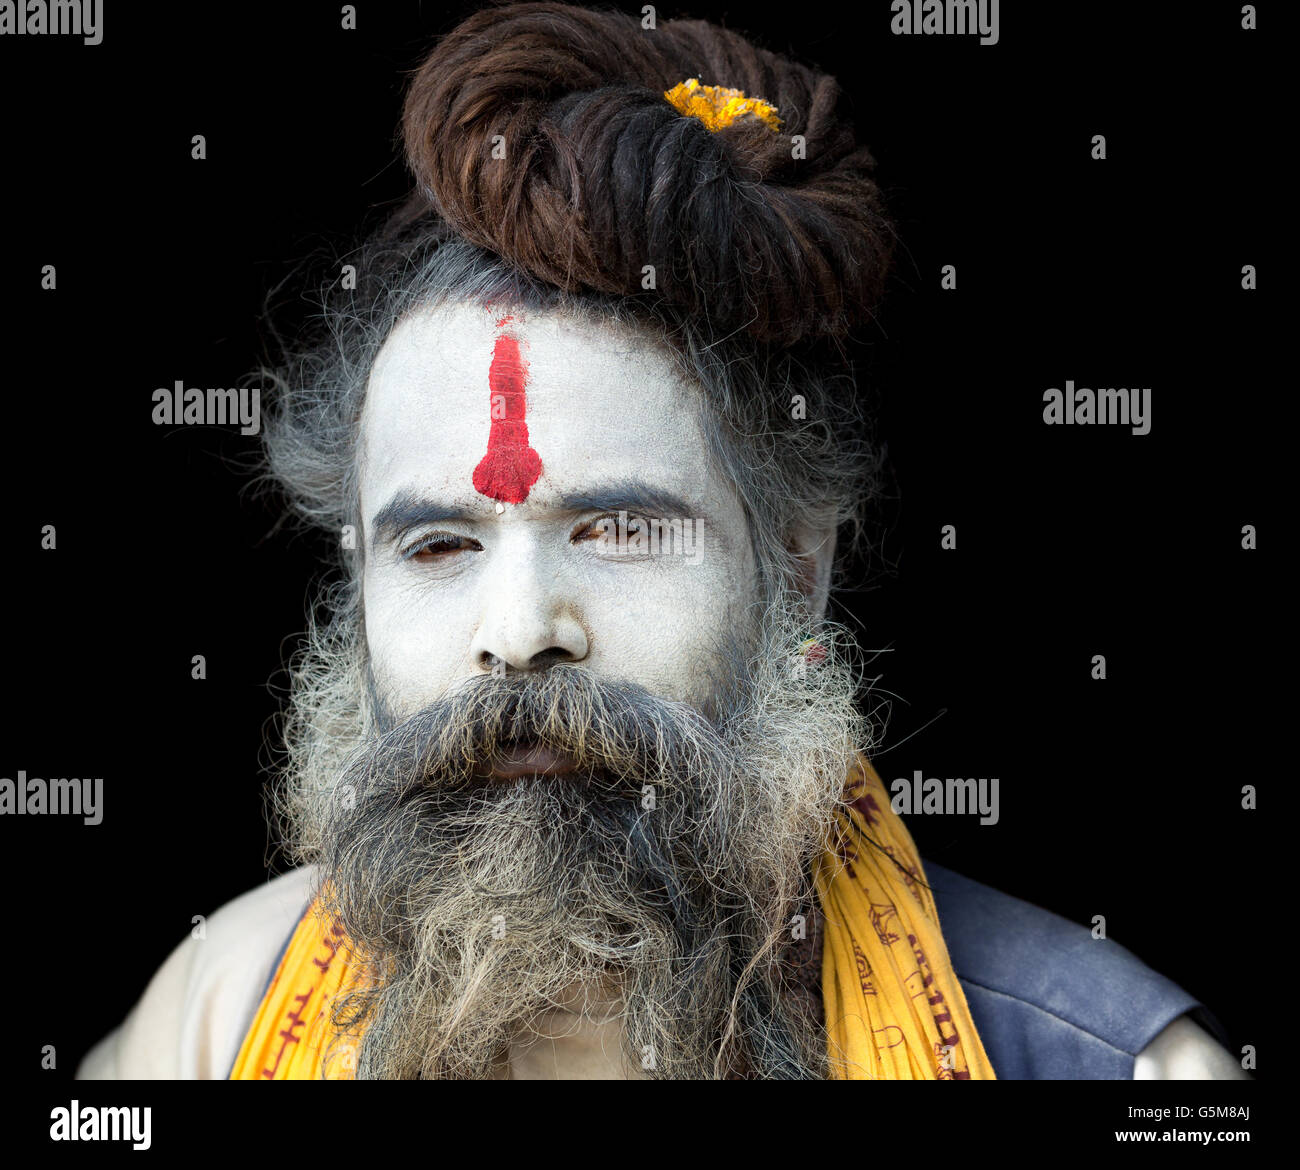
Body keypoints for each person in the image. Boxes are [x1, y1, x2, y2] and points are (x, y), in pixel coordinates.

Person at [78, 1, 1243, 1080]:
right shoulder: (215, 1018)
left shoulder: (1111, 1068)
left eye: (620, 526)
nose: (523, 631)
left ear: (794, 566)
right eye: (438, 546)